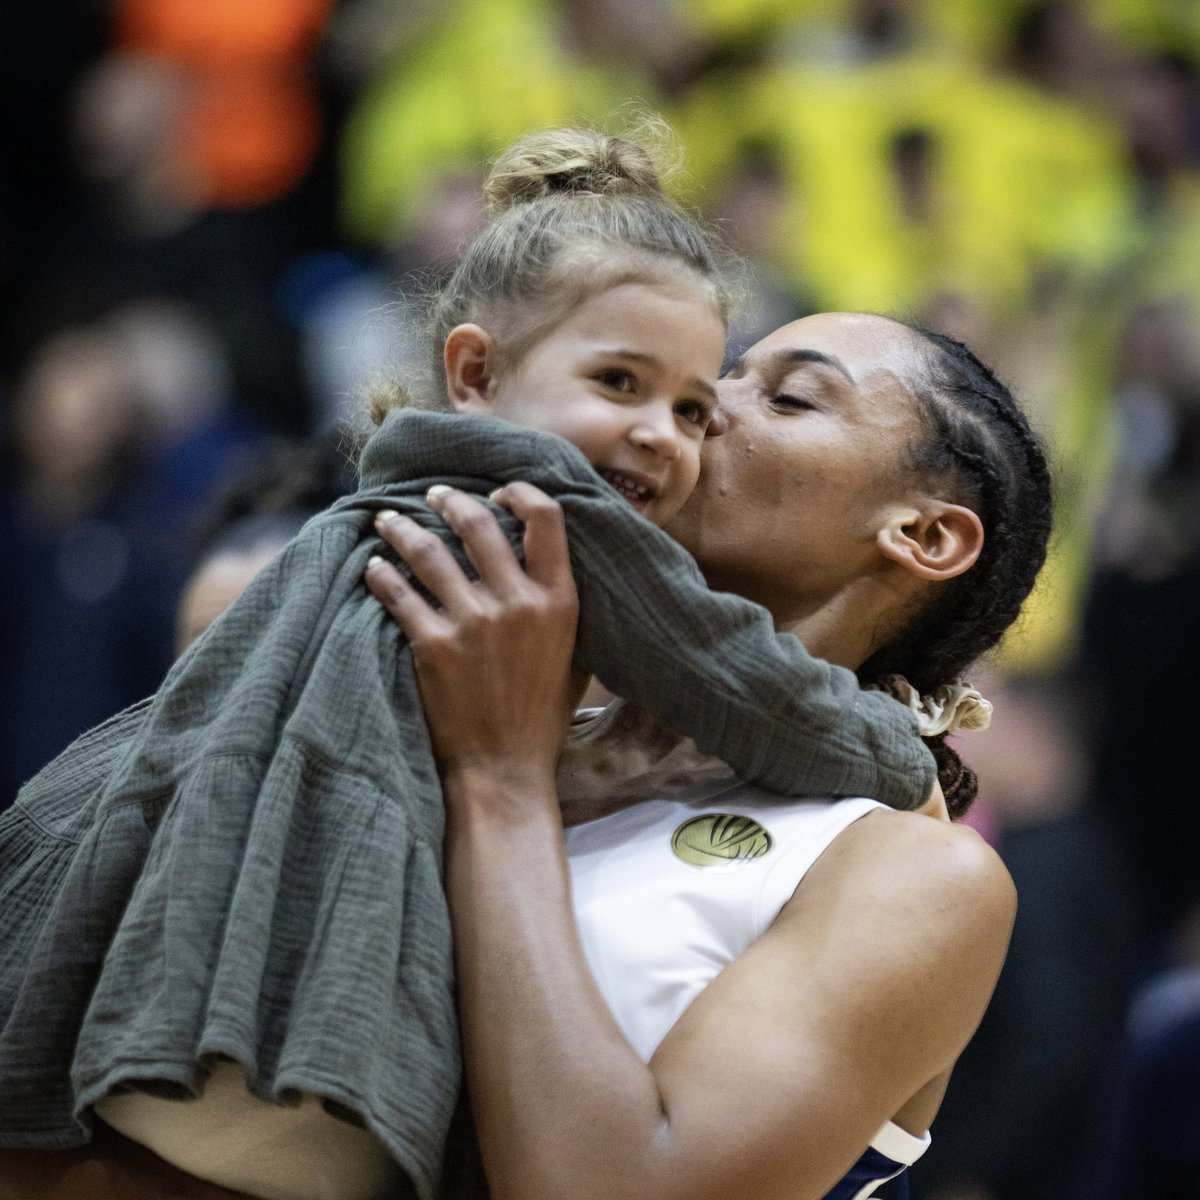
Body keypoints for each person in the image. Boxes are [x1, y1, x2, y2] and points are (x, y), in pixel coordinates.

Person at [0, 131, 943, 1200]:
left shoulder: (374, 500)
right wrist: (898, 747)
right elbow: (734, 676)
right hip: (287, 1024)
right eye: (619, 381)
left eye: (689, 408)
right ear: (477, 372)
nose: (669, 436)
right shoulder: (551, 509)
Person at [363, 310, 1053, 1199]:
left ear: (924, 536)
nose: (699, 402)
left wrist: (500, 786)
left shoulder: (913, 871)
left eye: (791, 397)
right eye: (723, 373)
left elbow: (619, 1188)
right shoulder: (508, 714)